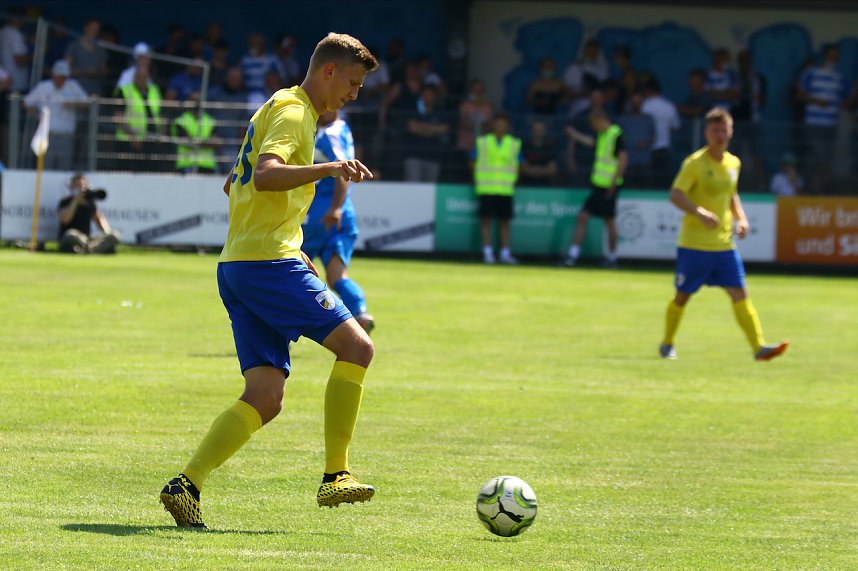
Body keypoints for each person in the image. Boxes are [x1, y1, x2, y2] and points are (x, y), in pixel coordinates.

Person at [159, 32, 379, 529]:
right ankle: (336, 474)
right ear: (328, 71)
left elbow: (232, 183)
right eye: (352, 82)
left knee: (265, 397)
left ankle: (186, 483)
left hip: (238, 265)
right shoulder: (296, 112)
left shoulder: (275, 108)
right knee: (358, 348)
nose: (354, 94)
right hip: (265, 265)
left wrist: (284, 234)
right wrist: (329, 168)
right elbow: (264, 175)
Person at [660, 107, 788, 361]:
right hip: (695, 245)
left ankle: (759, 347)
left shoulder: (734, 163)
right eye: (714, 130)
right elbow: (676, 194)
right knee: (682, 297)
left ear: (731, 131)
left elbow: (732, 195)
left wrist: (742, 219)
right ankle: (667, 343)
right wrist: (699, 212)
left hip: (724, 246)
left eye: (724, 129)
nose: (720, 135)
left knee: (740, 293)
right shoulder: (694, 163)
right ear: (707, 133)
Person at [303, 110, 375, 332]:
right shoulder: (341, 128)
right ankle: (359, 312)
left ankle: (282, 328)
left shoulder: (330, 134)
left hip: (322, 214)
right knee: (336, 278)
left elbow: (344, 171)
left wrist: (334, 208)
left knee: (294, 273)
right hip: (344, 214)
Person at [563, 107, 627, 268]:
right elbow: (591, 142)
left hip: (609, 186)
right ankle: (573, 254)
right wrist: (575, 135)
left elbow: (623, 159)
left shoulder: (616, 134)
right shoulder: (602, 135)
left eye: (594, 124)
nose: (593, 127)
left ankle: (612, 258)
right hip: (598, 185)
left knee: (609, 221)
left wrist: (614, 181)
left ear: (600, 119)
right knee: (583, 216)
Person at [797, 43, 850, 194]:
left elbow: (849, 96)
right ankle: (809, 188)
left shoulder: (839, 76)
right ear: (824, 56)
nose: (834, 59)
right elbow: (800, 94)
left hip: (831, 124)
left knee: (826, 157)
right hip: (813, 123)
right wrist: (817, 101)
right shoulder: (811, 72)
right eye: (831, 55)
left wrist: (841, 105)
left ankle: (821, 188)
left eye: (836, 56)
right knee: (816, 155)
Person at [471, 112, 522, 265]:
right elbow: (472, 161)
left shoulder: (514, 144)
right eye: (498, 123)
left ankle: (505, 254)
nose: (500, 126)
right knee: (485, 221)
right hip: (487, 189)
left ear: (507, 126)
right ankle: (488, 253)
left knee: (505, 223)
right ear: (493, 125)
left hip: (505, 190)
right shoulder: (483, 142)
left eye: (503, 124)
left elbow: (520, 164)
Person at [23, 60, 88, 171]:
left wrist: (72, 104)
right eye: (60, 77)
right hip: (47, 135)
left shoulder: (72, 86)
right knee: (45, 168)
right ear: (54, 75)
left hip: (66, 136)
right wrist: (37, 115)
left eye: (65, 77)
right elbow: (26, 102)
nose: (62, 80)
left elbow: (87, 103)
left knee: (64, 169)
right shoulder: (43, 87)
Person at [56, 173, 118, 254]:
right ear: (71, 186)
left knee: (114, 235)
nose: (80, 188)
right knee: (71, 235)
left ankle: (87, 250)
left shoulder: (90, 203)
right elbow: (65, 220)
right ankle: (93, 250)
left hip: (87, 239)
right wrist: (75, 202)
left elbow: (99, 219)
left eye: (82, 186)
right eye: (77, 185)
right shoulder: (65, 202)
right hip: (73, 238)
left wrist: (107, 232)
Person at [403, 82, 448, 182]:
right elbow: (412, 127)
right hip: (414, 156)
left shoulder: (439, 110)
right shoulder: (413, 108)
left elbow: (444, 129)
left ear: (435, 96)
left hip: (433, 157)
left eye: (431, 95)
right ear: (421, 95)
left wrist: (422, 128)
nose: (428, 97)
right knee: (413, 189)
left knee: (430, 189)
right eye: (426, 94)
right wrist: (433, 130)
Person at [641, 76, 680, 188]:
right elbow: (676, 126)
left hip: (646, 148)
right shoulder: (669, 106)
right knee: (663, 181)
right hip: (664, 146)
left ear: (647, 90)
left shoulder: (644, 106)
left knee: (647, 182)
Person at [170, 100, 218, 174]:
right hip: (186, 163)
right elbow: (186, 142)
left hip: (207, 165)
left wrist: (194, 142)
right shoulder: (181, 120)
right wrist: (205, 143)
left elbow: (216, 143)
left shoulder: (210, 120)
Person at [64, 18, 108, 96]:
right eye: (92, 29)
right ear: (86, 28)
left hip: (94, 91)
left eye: (97, 29)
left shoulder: (101, 49)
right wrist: (85, 71)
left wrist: (96, 73)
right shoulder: (74, 46)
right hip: (75, 91)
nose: (94, 31)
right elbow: (66, 70)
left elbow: (103, 71)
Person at [519, 117, 559, 187]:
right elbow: (523, 169)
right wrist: (544, 170)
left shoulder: (550, 148)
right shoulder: (523, 147)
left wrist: (532, 170)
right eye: (536, 129)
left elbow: (552, 170)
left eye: (541, 129)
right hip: (526, 186)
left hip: (546, 186)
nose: (538, 132)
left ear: (545, 131)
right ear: (531, 130)